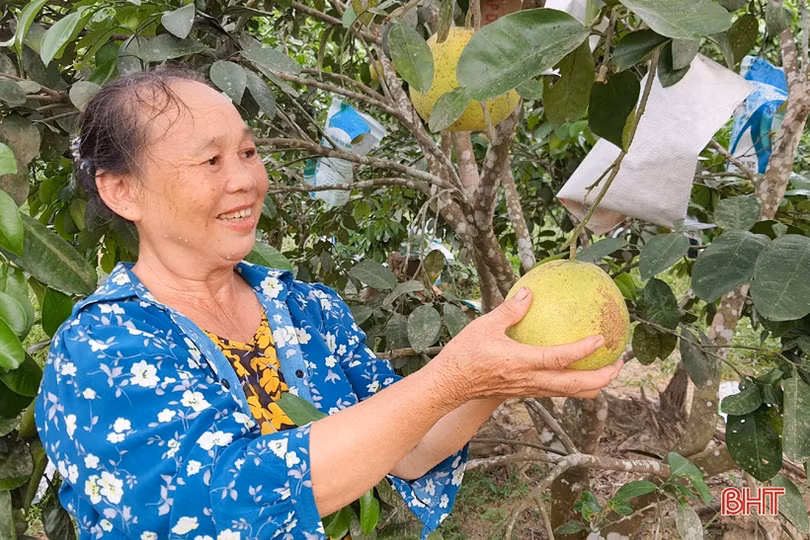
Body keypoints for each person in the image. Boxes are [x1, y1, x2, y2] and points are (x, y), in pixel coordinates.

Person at [36, 69, 624, 540]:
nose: (245, 180)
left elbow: (410, 448)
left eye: (248, 152)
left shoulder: (304, 309)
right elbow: (224, 500)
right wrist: (451, 377)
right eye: (211, 161)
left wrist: (499, 376)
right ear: (122, 190)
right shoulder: (101, 350)